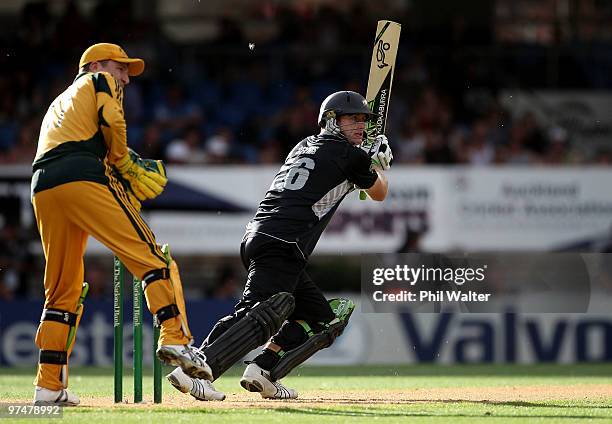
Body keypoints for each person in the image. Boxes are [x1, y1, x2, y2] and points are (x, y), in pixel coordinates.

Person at [166, 91, 392, 401]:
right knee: (257, 313)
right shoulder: (351, 156)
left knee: (323, 318)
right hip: (282, 243)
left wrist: (366, 159)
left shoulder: (304, 146)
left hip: (266, 238)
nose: (360, 126)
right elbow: (379, 193)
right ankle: (193, 371)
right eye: (352, 119)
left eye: (363, 120)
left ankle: (264, 370)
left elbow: (336, 174)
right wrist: (380, 165)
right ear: (331, 120)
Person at [31, 43, 211, 406]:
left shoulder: (58, 102)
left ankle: (48, 386)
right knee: (153, 259)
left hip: (43, 186)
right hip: (83, 176)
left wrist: (115, 161)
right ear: (96, 64)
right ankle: (175, 337)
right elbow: (112, 119)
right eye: (121, 68)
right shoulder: (97, 80)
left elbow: (76, 139)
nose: (126, 78)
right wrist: (123, 163)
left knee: (61, 293)